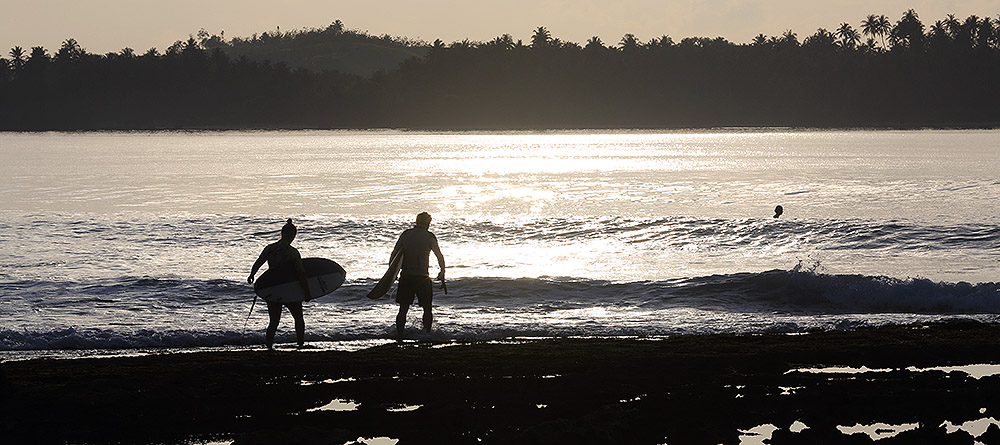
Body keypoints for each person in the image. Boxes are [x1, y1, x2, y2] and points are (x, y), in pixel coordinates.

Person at [247, 219, 312, 349]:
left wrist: (252, 274)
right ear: (293, 235)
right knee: (298, 318)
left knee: (274, 321)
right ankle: (300, 344)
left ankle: (269, 346)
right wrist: (307, 291)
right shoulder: (293, 253)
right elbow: (300, 274)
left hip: (274, 288)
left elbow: (259, 262)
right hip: (290, 290)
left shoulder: (270, 249)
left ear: (281, 233)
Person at [391, 212, 446, 337]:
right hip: (422, 277)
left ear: (417, 221)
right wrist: (442, 271)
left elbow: (394, 254)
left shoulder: (406, 234)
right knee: (427, 308)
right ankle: (427, 334)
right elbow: (439, 256)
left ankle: (399, 335)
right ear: (428, 223)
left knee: (403, 309)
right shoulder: (429, 236)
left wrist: (392, 273)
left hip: (406, 276)